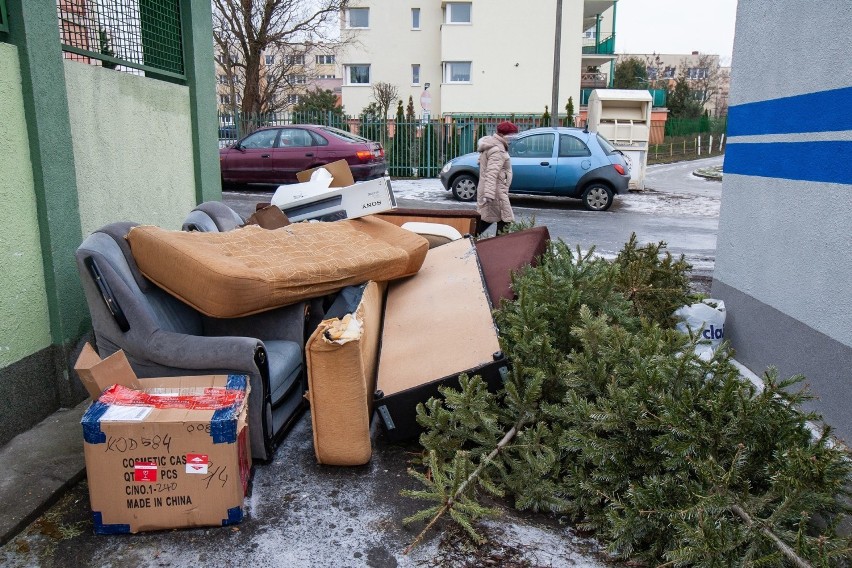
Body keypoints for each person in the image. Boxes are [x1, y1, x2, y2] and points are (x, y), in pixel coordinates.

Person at [476, 120, 518, 235]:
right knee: (504, 220)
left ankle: (466, 241)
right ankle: (498, 247)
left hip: (496, 189)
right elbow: (491, 172)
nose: (513, 138)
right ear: (504, 135)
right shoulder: (497, 149)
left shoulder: (494, 145)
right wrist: (489, 194)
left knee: (492, 218)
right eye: (512, 135)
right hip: (495, 192)